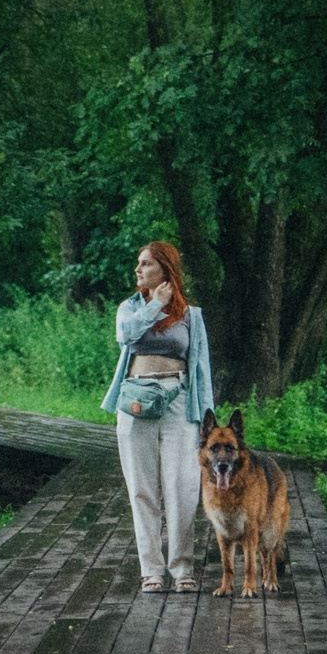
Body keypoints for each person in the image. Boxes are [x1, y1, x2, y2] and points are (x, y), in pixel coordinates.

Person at [102, 240, 216, 594]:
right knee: (142, 489)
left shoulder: (191, 316)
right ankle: (151, 569)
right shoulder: (130, 308)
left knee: (183, 486)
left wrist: (207, 420)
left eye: (146, 264)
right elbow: (127, 336)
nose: (138, 270)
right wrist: (155, 305)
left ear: (166, 269)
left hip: (179, 402)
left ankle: (182, 568)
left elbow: (201, 369)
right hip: (136, 402)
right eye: (138, 263)